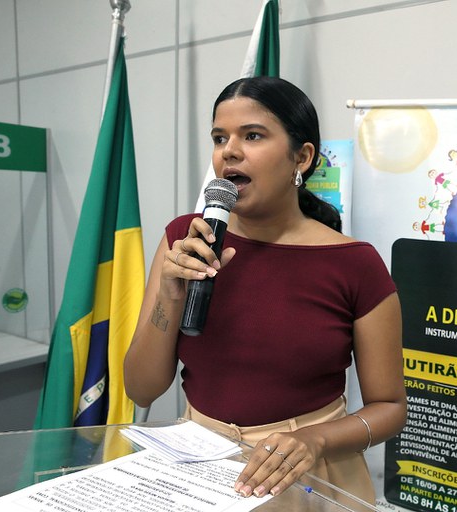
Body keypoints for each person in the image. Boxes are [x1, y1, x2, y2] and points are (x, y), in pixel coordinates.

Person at [124, 76, 406, 504]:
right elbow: (140, 389)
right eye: (220, 138)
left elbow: (390, 408)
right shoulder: (186, 239)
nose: (229, 151)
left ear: (302, 157)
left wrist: (316, 439)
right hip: (201, 466)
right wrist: (169, 296)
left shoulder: (355, 263)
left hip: (308, 475)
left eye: (252, 135)